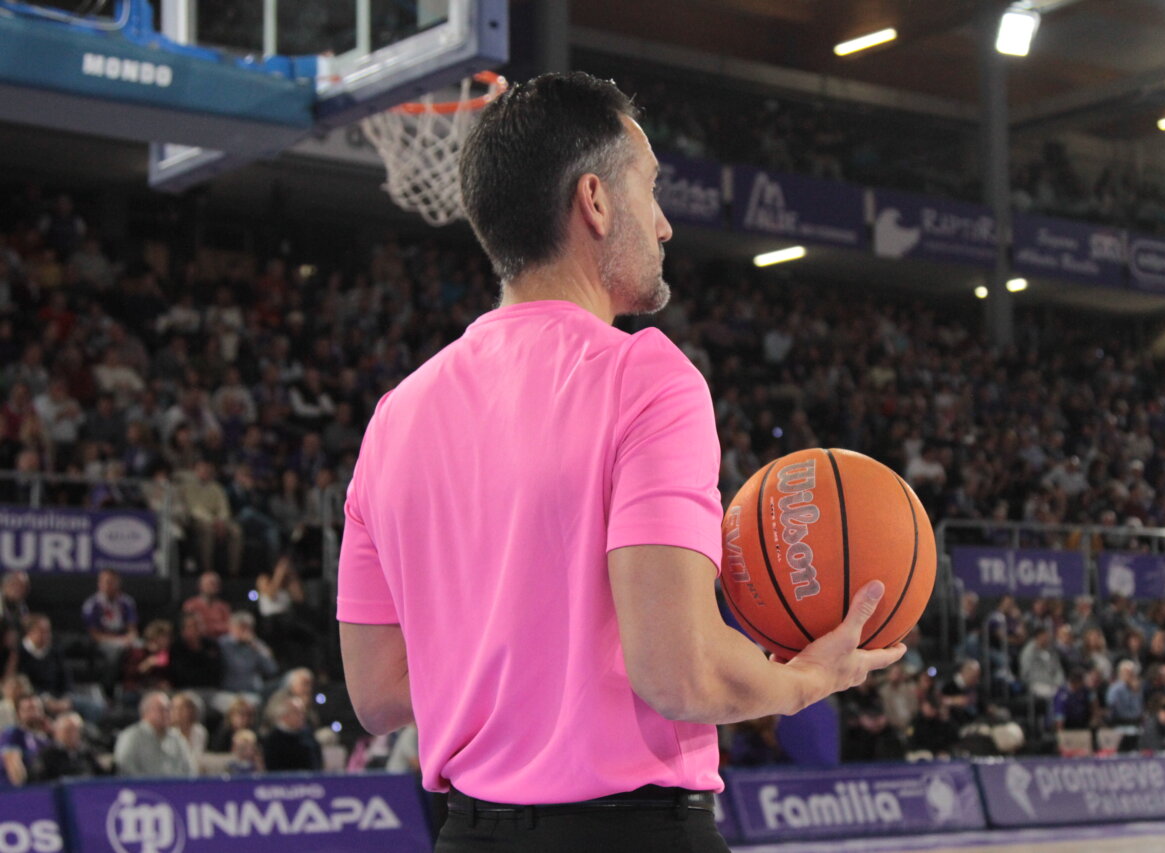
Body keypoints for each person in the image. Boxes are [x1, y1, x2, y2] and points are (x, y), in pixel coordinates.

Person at [337, 72, 904, 853]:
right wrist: (810, 678)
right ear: (596, 201)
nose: (665, 224)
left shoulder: (395, 416)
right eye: (652, 190)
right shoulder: (645, 377)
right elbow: (679, 676)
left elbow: (377, 695)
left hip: (468, 833)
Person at [113, 691, 197, 778]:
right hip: (142, 789)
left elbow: (190, 771)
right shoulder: (130, 737)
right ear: (146, 712)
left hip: (176, 789)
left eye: (169, 709)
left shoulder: (177, 738)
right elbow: (126, 770)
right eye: (162, 709)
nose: (167, 713)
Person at [80, 568, 138, 676]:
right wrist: (116, 641)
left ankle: (134, 683)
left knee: (140, 647)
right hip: (103, 640)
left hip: (123, 638)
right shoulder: (92, 604)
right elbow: (94, 634)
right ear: (99, 584)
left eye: (112, 582)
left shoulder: (127, 602)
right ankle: (109, 689)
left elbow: (132, 628)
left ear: (118, 584)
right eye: (105, 582)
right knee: (113, 652)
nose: (108, 585)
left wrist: (129, 638)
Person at [34, 711, 104, 781]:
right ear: (57, 732)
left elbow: (101, 775)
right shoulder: (47, 755)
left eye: (76, 730)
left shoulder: (87, 752)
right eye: (68, 730)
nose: (73, 734)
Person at [261, 696, 322, 772]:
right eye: (297, 712)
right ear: (284, 716)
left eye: (302, 712)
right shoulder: (273, 740)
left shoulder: (308, 736)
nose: (302, 716)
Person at [0, 693, 48, 786]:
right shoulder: (12, 735)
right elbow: (16, 777)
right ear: (18, 714)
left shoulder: (44, 740)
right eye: (29, 709)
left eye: (38, 709)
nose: (35, 713)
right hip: (13, 794)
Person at [182, 571, 232, 638]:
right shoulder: (191, 605)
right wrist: (216, 626)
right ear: (200, 586)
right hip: (200, 639)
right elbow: (193, 627)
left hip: (221, 640)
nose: (214, 586)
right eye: (211, 583)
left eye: (216, 584)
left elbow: (229, 627)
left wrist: (209, 626)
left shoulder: (224, 606)